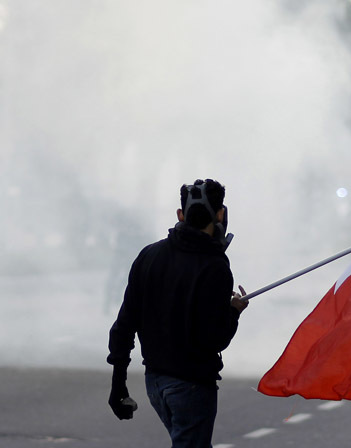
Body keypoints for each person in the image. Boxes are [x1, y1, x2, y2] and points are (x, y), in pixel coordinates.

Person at [107, 178, 249, 447]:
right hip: (191, 386)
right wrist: (234, 312)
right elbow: (215, 338)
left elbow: (124, 325)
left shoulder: (149, 255)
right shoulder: (215, 266)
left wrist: (118, 386)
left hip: (155, 384)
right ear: (220, 215)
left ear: (180, 215)